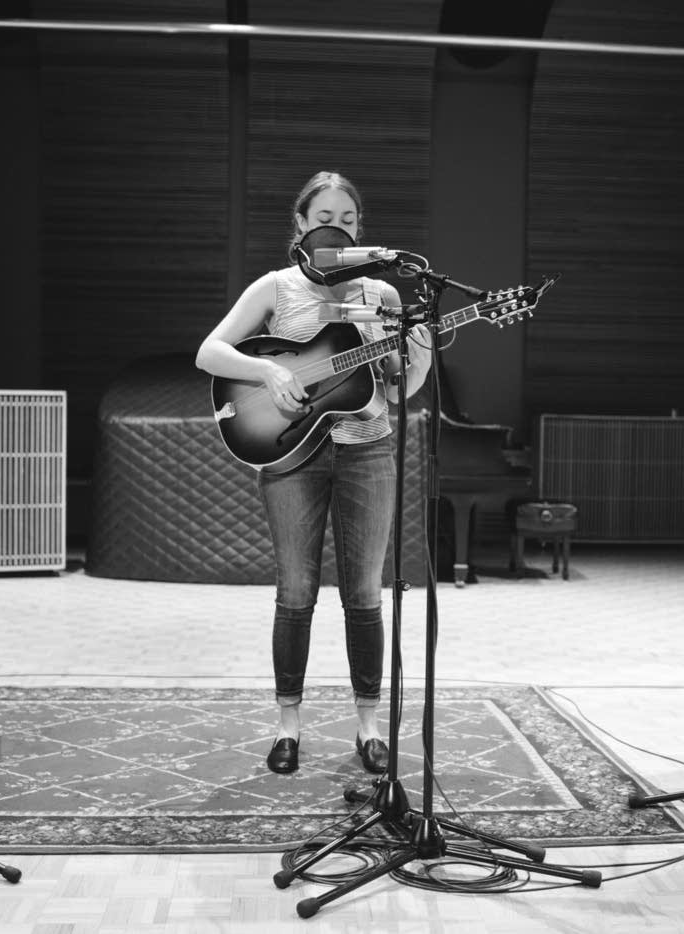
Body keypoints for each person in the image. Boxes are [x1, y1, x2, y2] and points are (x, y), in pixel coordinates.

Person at [196, 171, 431, 775]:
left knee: (365, 595)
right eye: (325, 216)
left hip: (369, 451)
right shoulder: (275, 288)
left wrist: (420, 341)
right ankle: (288, 728)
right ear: (301, 225)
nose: (338, 227)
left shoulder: (382, 295)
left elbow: (406, 388)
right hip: (292, 457)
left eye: (349, 220)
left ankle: (368, 729)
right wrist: (268, 373)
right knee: (295, 591)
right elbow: (210, 352)